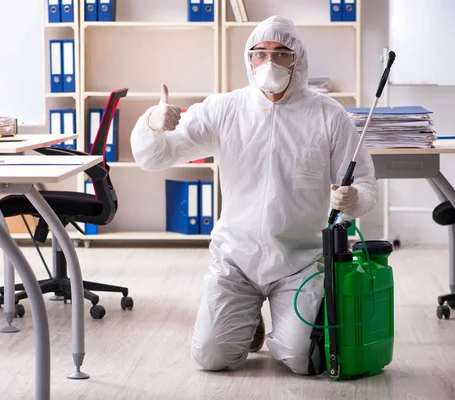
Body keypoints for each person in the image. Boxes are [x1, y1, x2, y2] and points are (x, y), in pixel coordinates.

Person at [130, 15, 379, 374]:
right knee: (211, 358)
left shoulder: (328, 115)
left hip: (300, 261)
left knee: (301, 359)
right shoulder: (224, 109)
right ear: (249, 60)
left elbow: (367, 185)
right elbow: (154, 157)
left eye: (281, 54)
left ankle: (274, 323)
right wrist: (152, 125)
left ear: (299, 59)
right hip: (236, 259)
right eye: (260, 53)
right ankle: (248, 322)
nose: (270, 63)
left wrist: (354, 198)